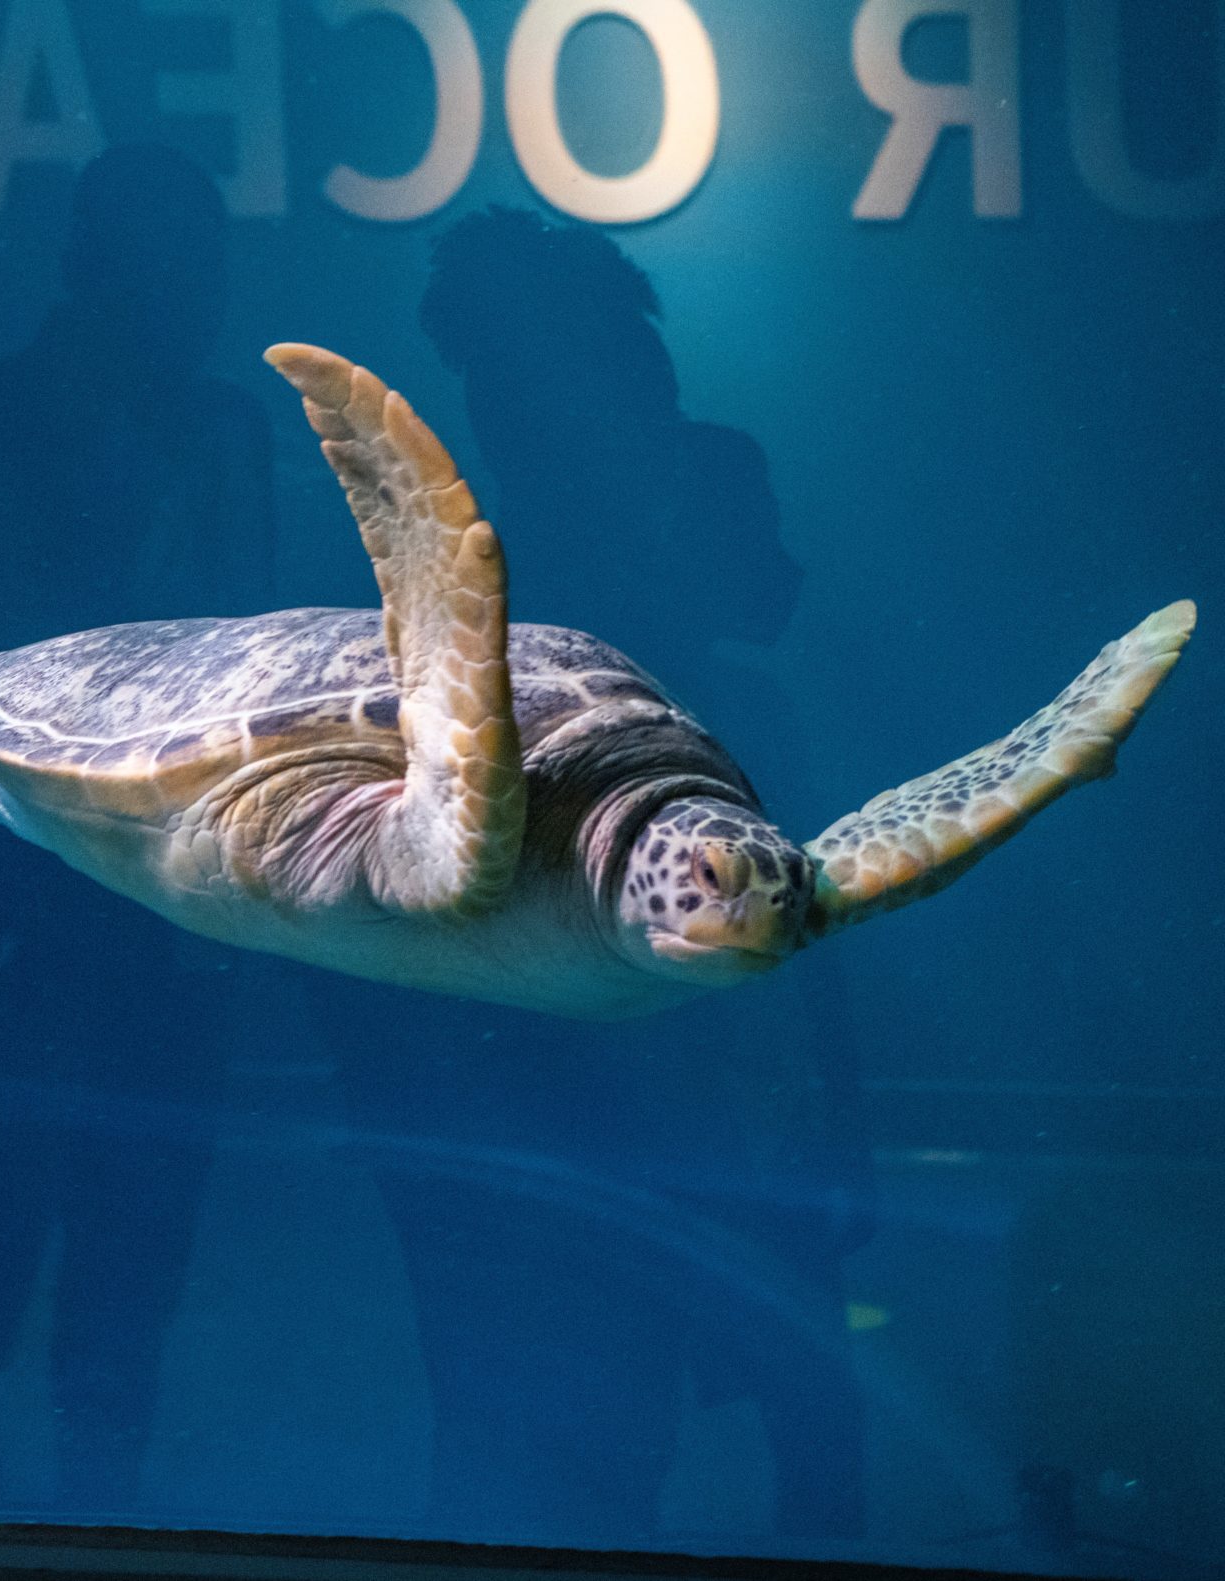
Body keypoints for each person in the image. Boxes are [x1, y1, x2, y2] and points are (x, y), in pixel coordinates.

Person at [304, 206, 869, 1547]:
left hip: (591, 1041)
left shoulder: (507, 561)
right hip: (561, 1062)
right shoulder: (529, 578)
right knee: (612, 1410)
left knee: (603, 1413)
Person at [0, 144, 273, 1513]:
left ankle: (84, 1496)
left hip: (171, 886)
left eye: (209, 260)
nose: (204, 290)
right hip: (30, 879)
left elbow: (257, 640)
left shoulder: (222, 427)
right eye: (178, 259)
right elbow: (11, 644)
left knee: (139, 1224)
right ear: (100, 263)